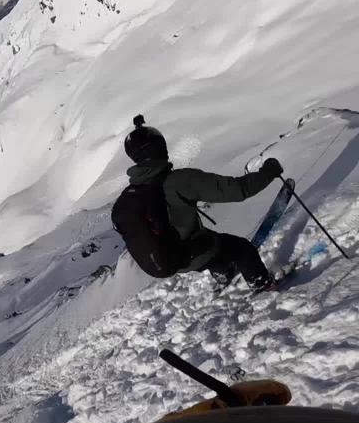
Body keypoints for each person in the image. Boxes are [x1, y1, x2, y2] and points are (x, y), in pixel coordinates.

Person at [120, 115, 283, 291]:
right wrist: (268, 172)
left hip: (169, 258)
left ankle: (223, 271)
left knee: (210, 240)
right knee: (242, 248)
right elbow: (238, 190)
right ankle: (263, 285)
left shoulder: (136, 190)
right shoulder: (179, 181)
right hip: (190, 253)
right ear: (159, 148)